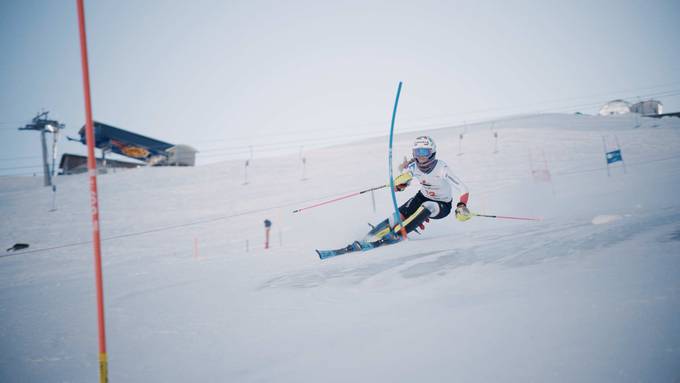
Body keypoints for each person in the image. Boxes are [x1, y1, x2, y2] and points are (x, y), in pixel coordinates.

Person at [390, 135, 471, 234]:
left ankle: (399, 232)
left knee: (427, 206)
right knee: (398, 216)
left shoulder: (441, 168)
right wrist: (399, 187)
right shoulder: (413, 166)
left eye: (424, 152)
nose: (421, 156)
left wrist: (461, 205)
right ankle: (379, 232)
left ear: (432, 152)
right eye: (417, 152)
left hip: (442, 204)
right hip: (422, 197)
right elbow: (404, 183)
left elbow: (463, 188)